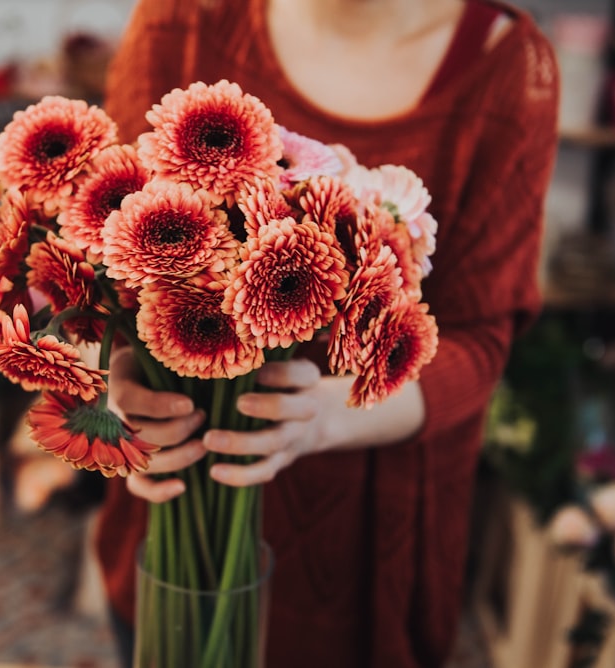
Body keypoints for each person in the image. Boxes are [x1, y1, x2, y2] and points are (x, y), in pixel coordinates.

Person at [94, 1, 560, 666]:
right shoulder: (182, 18)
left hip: (361, 555)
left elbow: (480, 340)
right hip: (174, 535)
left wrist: (324, 418)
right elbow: (109, 242)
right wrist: (124, 379)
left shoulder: (506, 67)